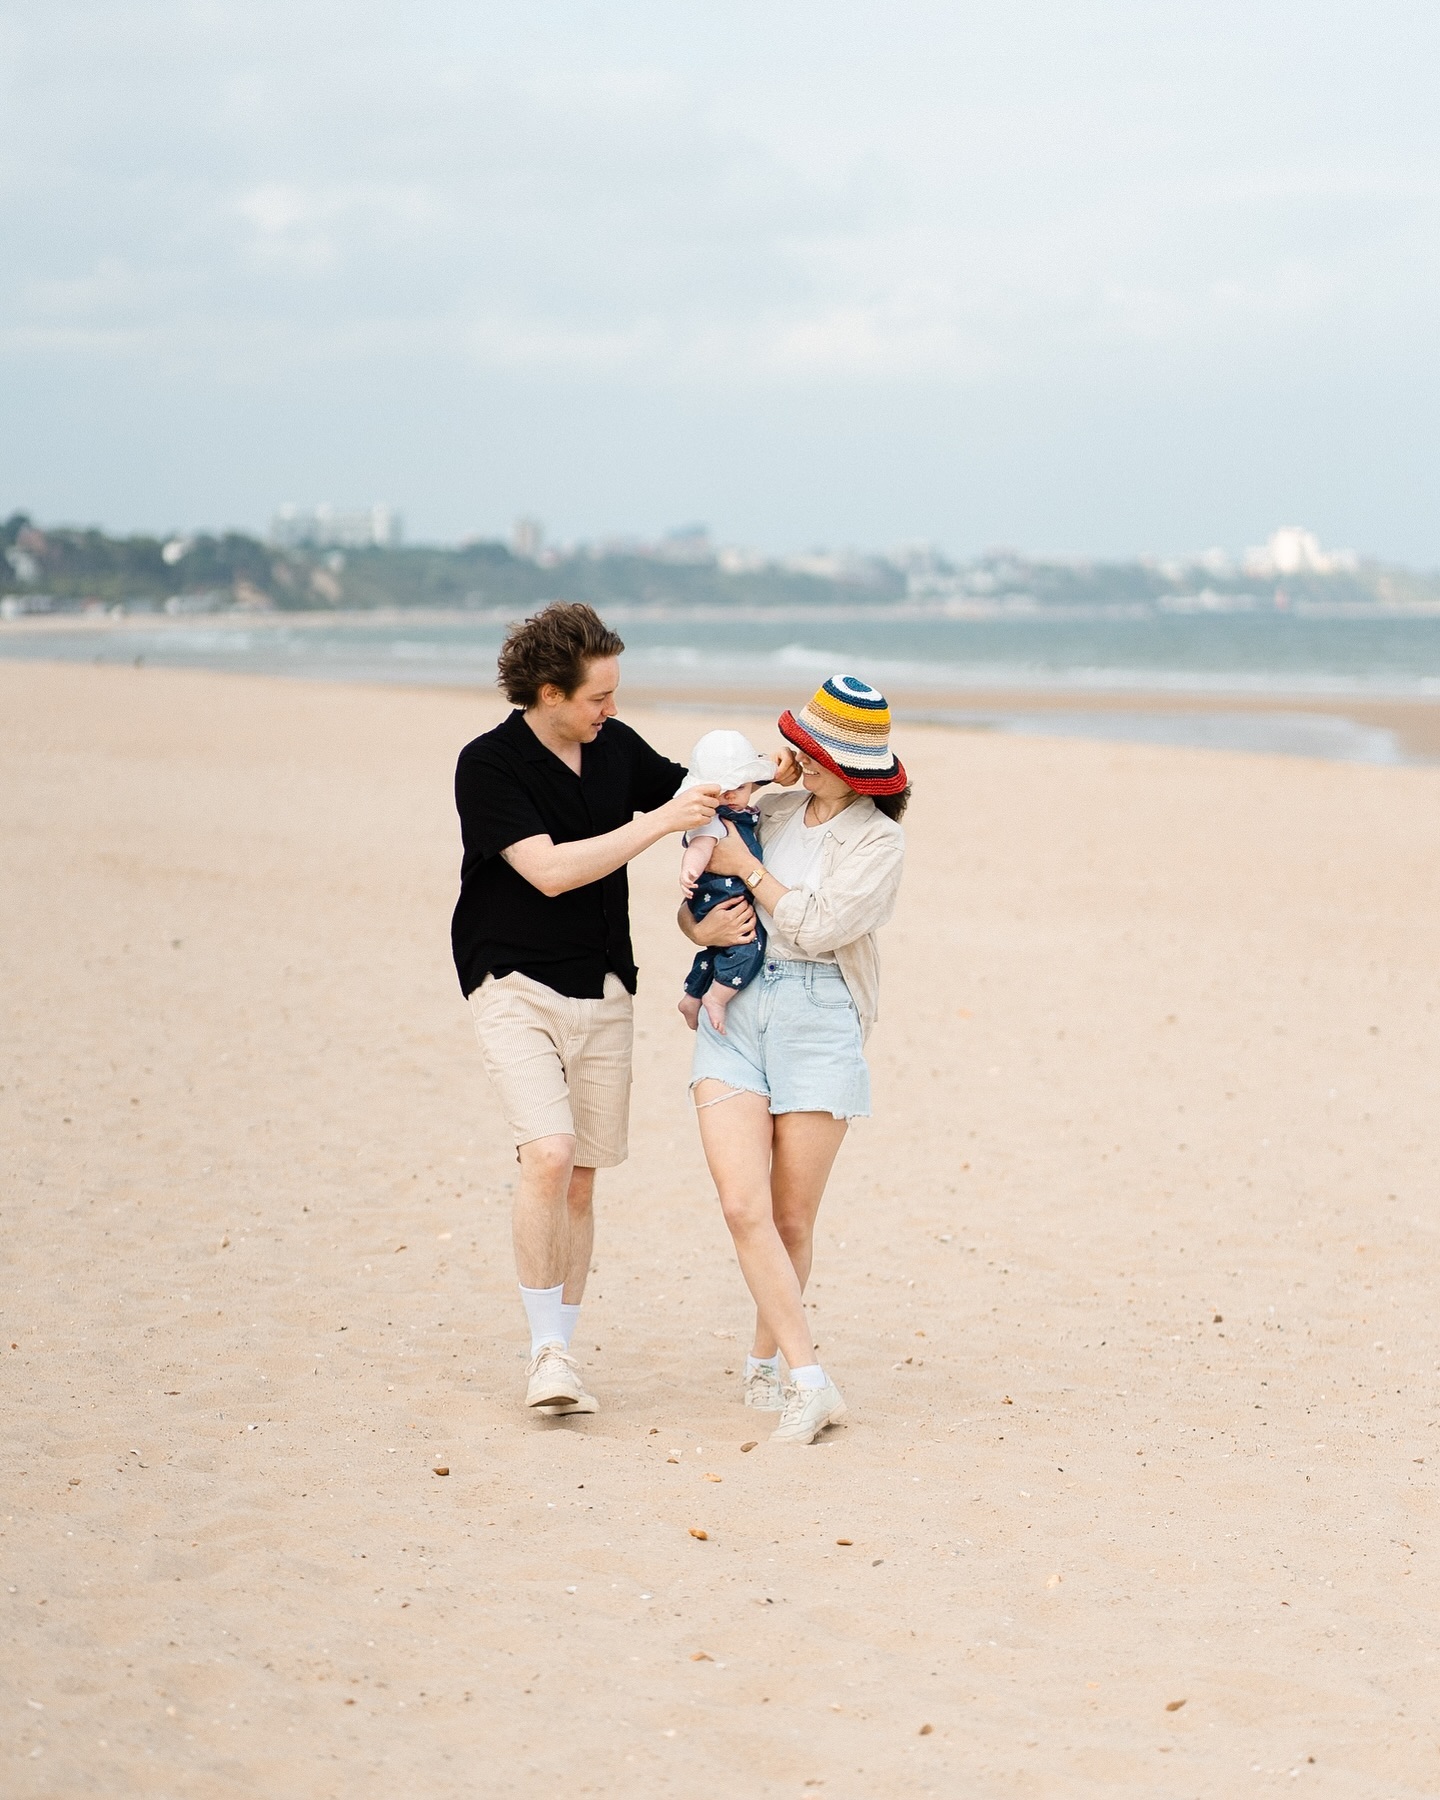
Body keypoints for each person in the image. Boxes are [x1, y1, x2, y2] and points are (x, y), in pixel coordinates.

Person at [452, 602, 721, 1417]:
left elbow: (701, 795)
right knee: (549, 1152)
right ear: (548, 694)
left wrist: (782, 777)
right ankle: (546, 1355)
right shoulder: (488, 765)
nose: (611, 708)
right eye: (599, 696)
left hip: (605, 985)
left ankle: (562, 1348)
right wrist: (658, 825)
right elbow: (550, 872)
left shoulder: (615, 747)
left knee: (580, 1181)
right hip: (513, 981)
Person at [680, 675, 910, 1444]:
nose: (799, 758)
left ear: (852, 769)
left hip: (818, 1016)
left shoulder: (878, 843)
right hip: (735, 1010)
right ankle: (811, 1380)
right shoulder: (768, 808)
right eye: (798, 745)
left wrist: (750, 871)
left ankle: (765, 1363)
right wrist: (698, 931)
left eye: (815, 752)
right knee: (741, 1206)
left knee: (789, 1217)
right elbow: (695, 895)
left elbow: (817, 926)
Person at [674, 730, 778, 1035]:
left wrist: (775, 766)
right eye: (724, 789)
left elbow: (761, 776)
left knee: (718, 950)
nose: (731, 796)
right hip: (718, 896)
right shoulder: (713, 820)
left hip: (722, 898)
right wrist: (689, 870)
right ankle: (716, 998)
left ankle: (692, 996)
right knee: (748, 946)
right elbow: (699, 847)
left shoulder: (739, 808)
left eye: (740, 787)